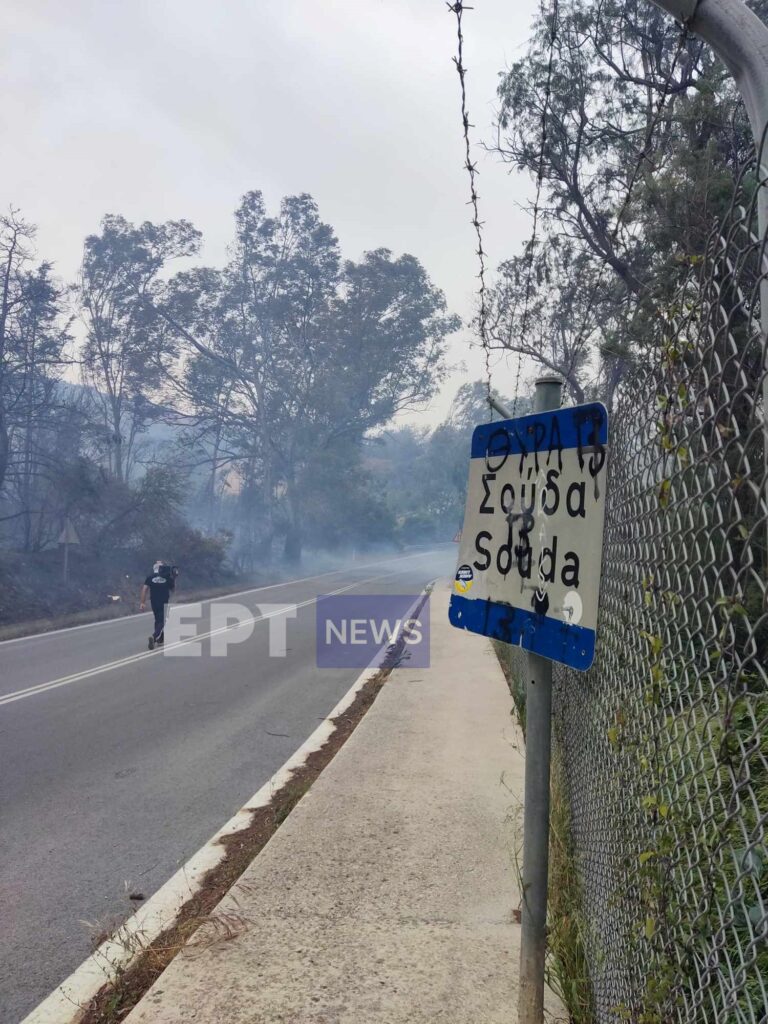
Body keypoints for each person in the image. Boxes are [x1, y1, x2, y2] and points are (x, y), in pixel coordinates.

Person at [139, 560, 176, 650]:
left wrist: (142, 602)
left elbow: (144, 589)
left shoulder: (150, 577)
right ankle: (154, 636)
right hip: (164, 601)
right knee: (163, 621)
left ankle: (160, 639)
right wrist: (173, 578)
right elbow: (173, 589)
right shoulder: (167, 577)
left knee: (158, 620)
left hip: (154, 602)